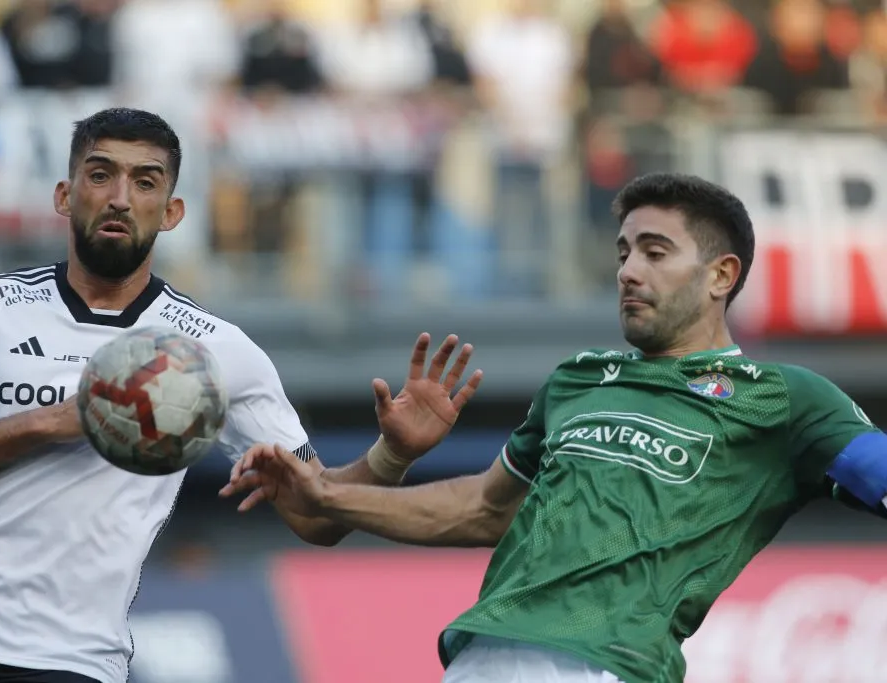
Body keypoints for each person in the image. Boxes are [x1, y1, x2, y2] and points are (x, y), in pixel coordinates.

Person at [0, 108, 482, 683]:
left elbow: (316, 515)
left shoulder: (215, 352)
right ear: (64, 195)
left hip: (68, 661)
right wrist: (48, 422)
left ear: (172, 211)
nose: (120, 197)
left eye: (145, 182)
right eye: (100, 174)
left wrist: (393, 454)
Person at [221, 172, 887, 683]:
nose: (629, 271)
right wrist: (366, 469)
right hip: (477, 658)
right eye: (624, 252)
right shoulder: (578, 379)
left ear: (721, 274)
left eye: (655, 252)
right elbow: (483, 508)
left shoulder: (782, 397)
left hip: (607, 663)